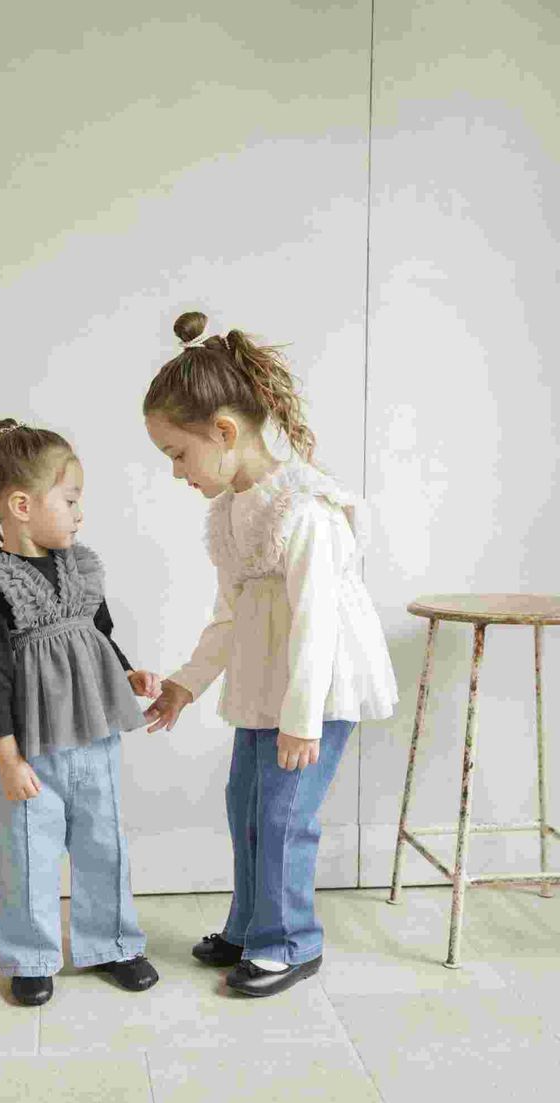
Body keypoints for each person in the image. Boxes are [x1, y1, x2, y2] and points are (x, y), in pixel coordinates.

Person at [142, 311, 398, 997]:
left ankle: (289, 941)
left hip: (316, 691)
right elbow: (230, 615)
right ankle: (252, 926)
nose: (175, 472)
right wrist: (186, 684)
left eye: (177, 454)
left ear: (224, 432)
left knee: (284, 817)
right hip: (263, 685)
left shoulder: (306, 510)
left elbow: (317, 624)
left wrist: (302, 719)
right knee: (246, 806)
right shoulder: (230, 512)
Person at [0, 420, 162, 1006]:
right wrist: (8, 760)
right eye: (70, 501)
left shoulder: (80, 568)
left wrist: (127, 673)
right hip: (29, 749)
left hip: (94, 733)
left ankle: (113, 943)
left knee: (104, 842)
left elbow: (100, 634)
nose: (79, 514)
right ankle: (31, 957)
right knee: (25, 849)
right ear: (22, 506)